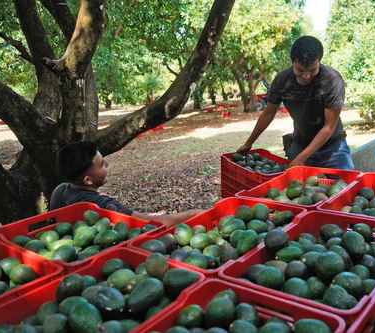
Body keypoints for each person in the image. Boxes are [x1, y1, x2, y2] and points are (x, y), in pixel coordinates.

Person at [237, 35, 354, 169]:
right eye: (300, 70)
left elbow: (328, 127)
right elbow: (268, 114)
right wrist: (248, 143)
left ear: (319, 62)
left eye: (312, 70)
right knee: (294, 186)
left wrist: (300, 159)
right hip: (300, 142)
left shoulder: (332, 81)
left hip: (332, 146)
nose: (306, 76)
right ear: (293, 62)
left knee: (345, 183)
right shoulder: (282, 80)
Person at [50, 141, 203, 227]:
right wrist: (193, 214)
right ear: (88, 180)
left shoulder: (60, 190)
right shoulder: (104, 206)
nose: (107, 165)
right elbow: (152, 223)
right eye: (102, 164)